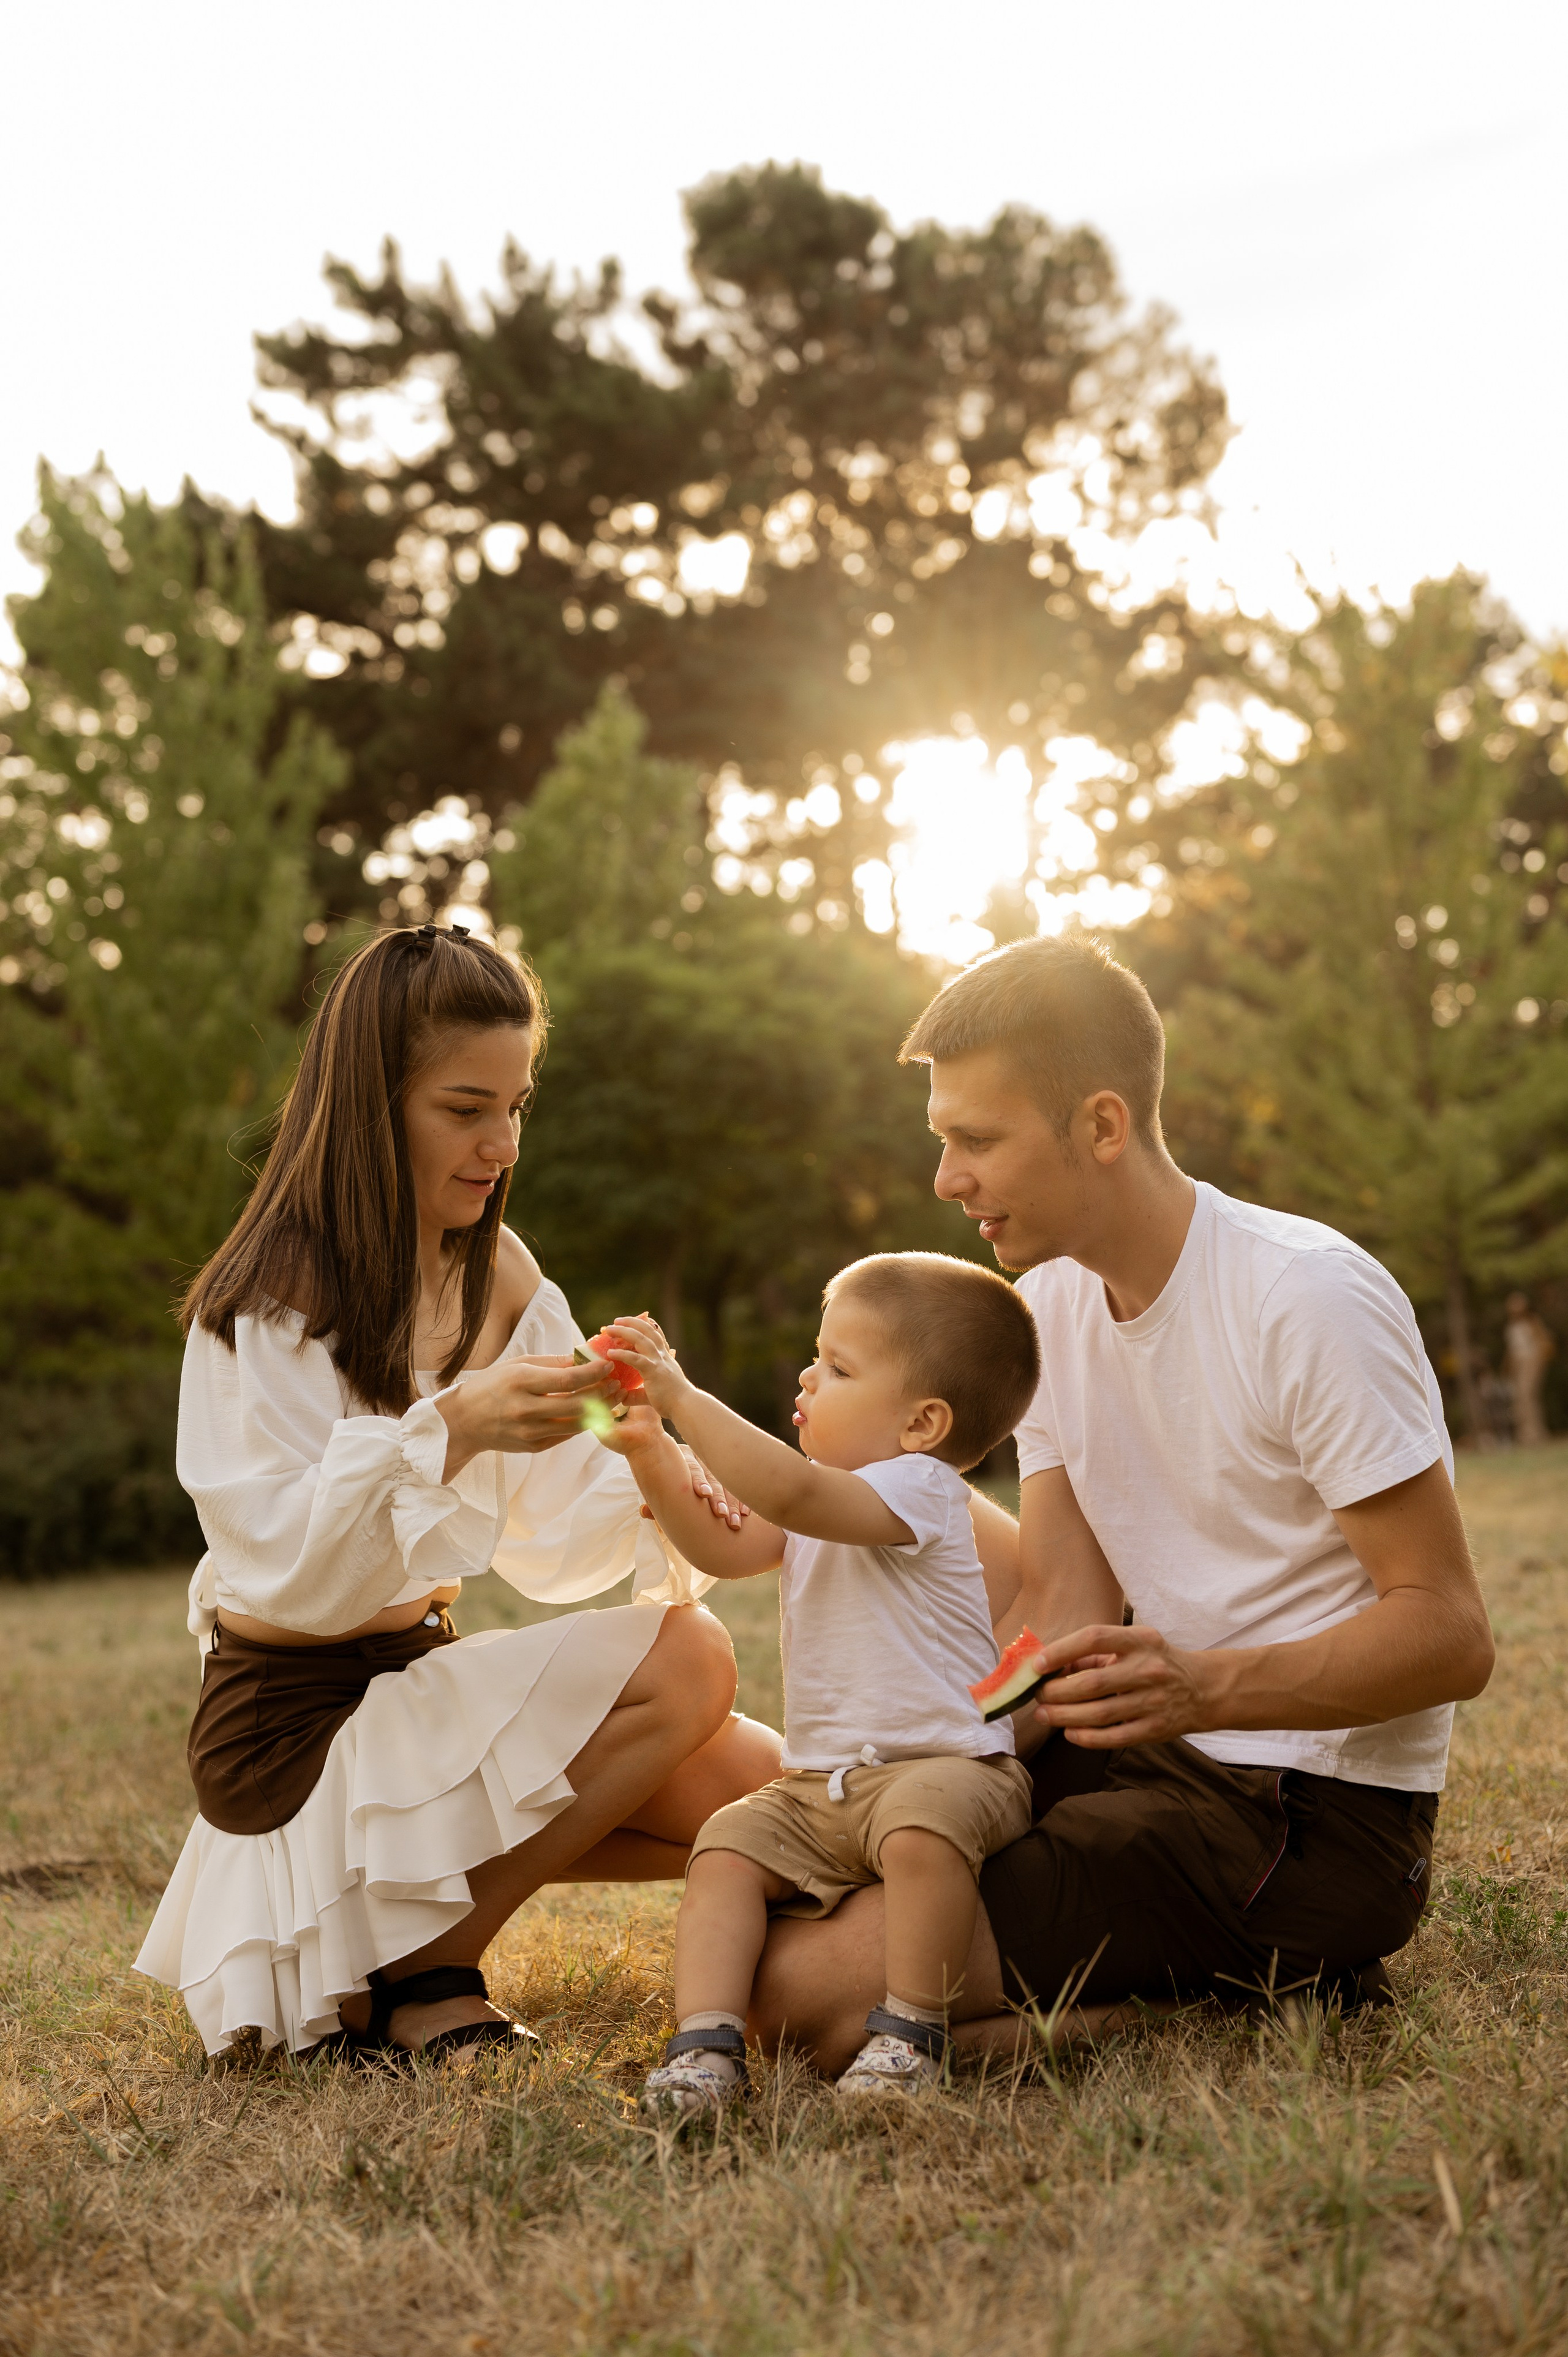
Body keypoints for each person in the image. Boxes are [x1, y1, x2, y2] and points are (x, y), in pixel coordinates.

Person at [748, 935, 1496, 2072]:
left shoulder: (1306, 1297)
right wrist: (941, 1736)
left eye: (978, 1141)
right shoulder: (1048, 1308)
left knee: (795, 2001)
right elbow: (1060, 1608)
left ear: (1102, 1125)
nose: (948, 1179)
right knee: (780, 1909)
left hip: (1305, 1813)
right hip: (1137, 1751)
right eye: (945, 1141)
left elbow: (1451, 1634)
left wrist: (1208, 1684)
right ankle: (1194, 1981)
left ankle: (1230, 2000)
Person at [135, 924, 779, 2063]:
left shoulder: (503, 1273)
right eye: (465, 1108)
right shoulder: (269, 1299)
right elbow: (286, 1569)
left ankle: (400, 1937)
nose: (502, 1144)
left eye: (517, 1106)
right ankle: (422, 1974)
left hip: (413, 1696)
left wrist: (646, 1457)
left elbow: (561, 1512)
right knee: (691, 1661)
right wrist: (455, 1426)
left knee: (760, 1792)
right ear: (370, 1106)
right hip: (297, 1732)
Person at [585, 1253, 1040, 2118]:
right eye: (816, 1356)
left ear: (923, 1423)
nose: (807, 1376)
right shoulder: (822, 1500)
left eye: (838, 1367)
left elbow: (790, 1493)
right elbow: (725, 1548)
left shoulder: (922, 1491)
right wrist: (649, 1449)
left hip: (950, 1766)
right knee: (724, 1847)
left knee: (921, 1835)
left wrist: (681, 1394)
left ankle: (912, 2033)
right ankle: (706, 2046)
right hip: (824, 1784)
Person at [1504, 1292, 1555, 1447]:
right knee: (1521, 1398)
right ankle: (1526, 1434)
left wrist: (1539, 1363)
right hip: (1519, 1364)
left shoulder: (1532, 1322)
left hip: (1531, 1362)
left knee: (1527, 1396)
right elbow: (1512, 1351)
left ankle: (1533, 1434)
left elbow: (1545, 1343)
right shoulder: (1511, 1327)